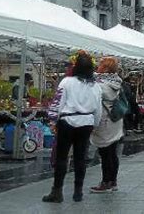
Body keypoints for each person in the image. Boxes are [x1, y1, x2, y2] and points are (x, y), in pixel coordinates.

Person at [43, 50, 102, 203]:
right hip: (87, 122)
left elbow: (58, 103)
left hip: (67, 122)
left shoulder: (67, 82)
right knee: (80, 157)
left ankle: (57, 192)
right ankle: (78, 192)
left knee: (62, 157)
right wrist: (95, 124)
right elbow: (98, 109)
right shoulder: (96, 86)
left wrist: (53, 120)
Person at [90, 57, 124, 193]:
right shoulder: (117, 81)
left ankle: (106, 182)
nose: (97, 66)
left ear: (105, 68)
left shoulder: (100, 85)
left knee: (105, 152)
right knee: (112, 152)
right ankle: (113, 181)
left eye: (100, 64)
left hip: (105, 120)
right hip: (116, 120)